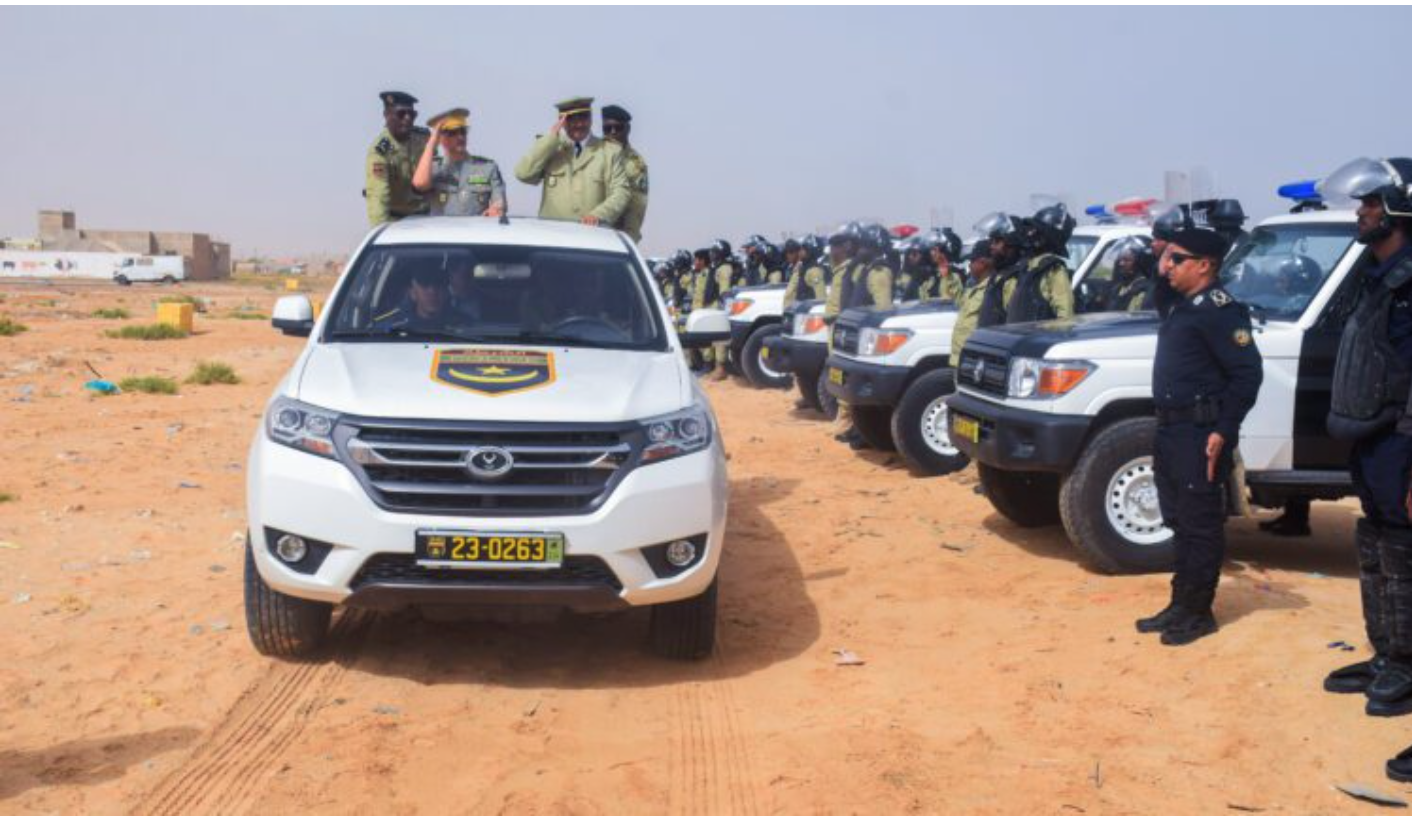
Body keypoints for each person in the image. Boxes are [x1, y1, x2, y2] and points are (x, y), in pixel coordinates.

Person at [1136, 227, 1263, 646]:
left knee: (1200, 523)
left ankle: (1199, 612)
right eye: (1168, 258)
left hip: (1200, 433)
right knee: (1177, 518)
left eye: (1178, 260)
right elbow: (1159, 280)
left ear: (1205, 265)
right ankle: (1181, 602)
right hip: (1171, 428)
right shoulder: (1180, 304)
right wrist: (1165, 251)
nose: (1168, 266)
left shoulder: (1220, 311)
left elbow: (1247, 376)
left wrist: (1224, 431)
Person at [1319, 157, 1412, 717]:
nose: (1361, 212)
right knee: (1377, 543)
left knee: (1403, 551)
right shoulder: (1375, 275)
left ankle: (1408, 661)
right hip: (1370, 436)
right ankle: (1388, 652)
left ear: (1399, 209)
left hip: (1401, 438)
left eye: (1372, 203)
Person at [513, 97, 631, 227]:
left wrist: (598, 215)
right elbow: (523, 174)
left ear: (591, 119)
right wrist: (551, 138)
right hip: (553, 235)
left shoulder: (609, 152)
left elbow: (621, 193)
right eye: (571, 119)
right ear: (562, 121)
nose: (578, 124)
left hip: (593, 235)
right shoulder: (551, 148)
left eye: (583, 118)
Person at [412, 108, 507, 218]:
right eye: (453, 133)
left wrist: (496, 208)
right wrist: (431, 144)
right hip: (440, 233)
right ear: (440, 138)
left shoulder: (488, 168)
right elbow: (420, 184)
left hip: (476, 233)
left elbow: (500, 202)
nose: (460, 137)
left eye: (463, 131)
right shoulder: (433, 168)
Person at [365, 91, 430, 226]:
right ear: (387, 115)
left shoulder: (424, 139)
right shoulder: (379, 153)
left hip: (426, 217)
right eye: (401, 114)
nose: (407, 118)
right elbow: (378, 198)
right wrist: (382, 235)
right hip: (396, 223)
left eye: (412, 115)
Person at [1004, 203, 1076, 323]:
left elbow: (1065, 315)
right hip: (1017, 338)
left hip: (1037, 339)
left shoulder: (1053, 269)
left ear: (1046, 236)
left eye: (1035, 230)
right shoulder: (1026, 266)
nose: (1029, 233)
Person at [602, 104, 649, 242]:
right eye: (607, 128)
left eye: (618, 128)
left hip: (617, 237)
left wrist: (628, 240)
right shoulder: (594, 153)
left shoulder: (636, 164)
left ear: (628, 129)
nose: (612, 132)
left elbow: (636, 208)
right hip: (590, 231)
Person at [370, 266, 458, 331]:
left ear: (447, 292)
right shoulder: (389, 327)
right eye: (425, 285)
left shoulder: (464, 325)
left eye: (438, 284)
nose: (432, 292)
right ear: (413, 293)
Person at [950, 240, 996, 356]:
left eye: (972, 261)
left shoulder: (992, 289)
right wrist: (947, 276)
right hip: (960, 356)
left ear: (983, 263)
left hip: (974, 357)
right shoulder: (974, 288)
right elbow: (959, 301)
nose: (969, 265)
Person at [920, 228, 965, 303]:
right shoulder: (932, 276)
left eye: (934, 249)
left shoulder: (956, 275)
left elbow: (958, 302)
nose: (931, 253)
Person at [783, 235, 829, 304]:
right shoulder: (802, 269)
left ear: (811, 251)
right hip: (795, 311)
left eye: (803, 249)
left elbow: (821, 299)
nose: (800, 252)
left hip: (805, 313)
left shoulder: (814, 271)